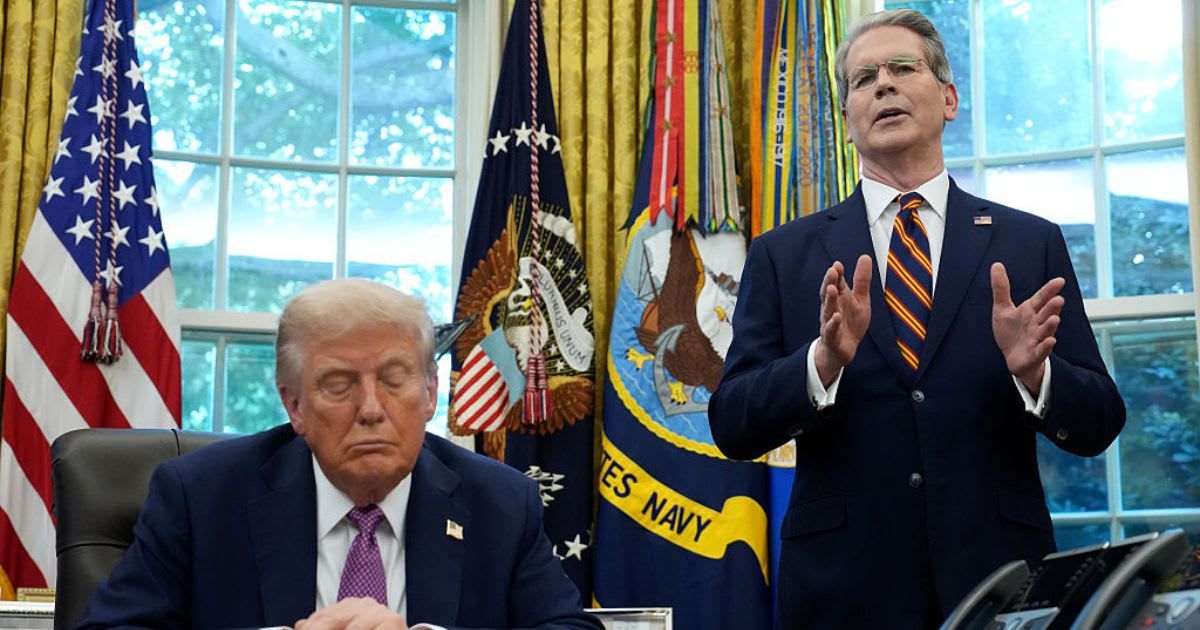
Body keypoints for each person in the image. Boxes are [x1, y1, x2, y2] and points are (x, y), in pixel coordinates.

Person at [709, 8, 1125, 629]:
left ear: (949, 98)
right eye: (862, 78)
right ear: (848, 119)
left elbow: (1099, 421)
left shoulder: (1026, 242)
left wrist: (1034, 377)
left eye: (903, 68)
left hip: (1000, 584)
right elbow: (733, 424)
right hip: (842, 592)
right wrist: (820, 364)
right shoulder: (783, 254)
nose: (882, 84)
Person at [78, 279, 602, 630]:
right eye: (338, 385)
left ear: (430, 393)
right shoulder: (200, 497)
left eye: (395, 381)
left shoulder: (499, 503)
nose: (371, 409)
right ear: (294, 405)